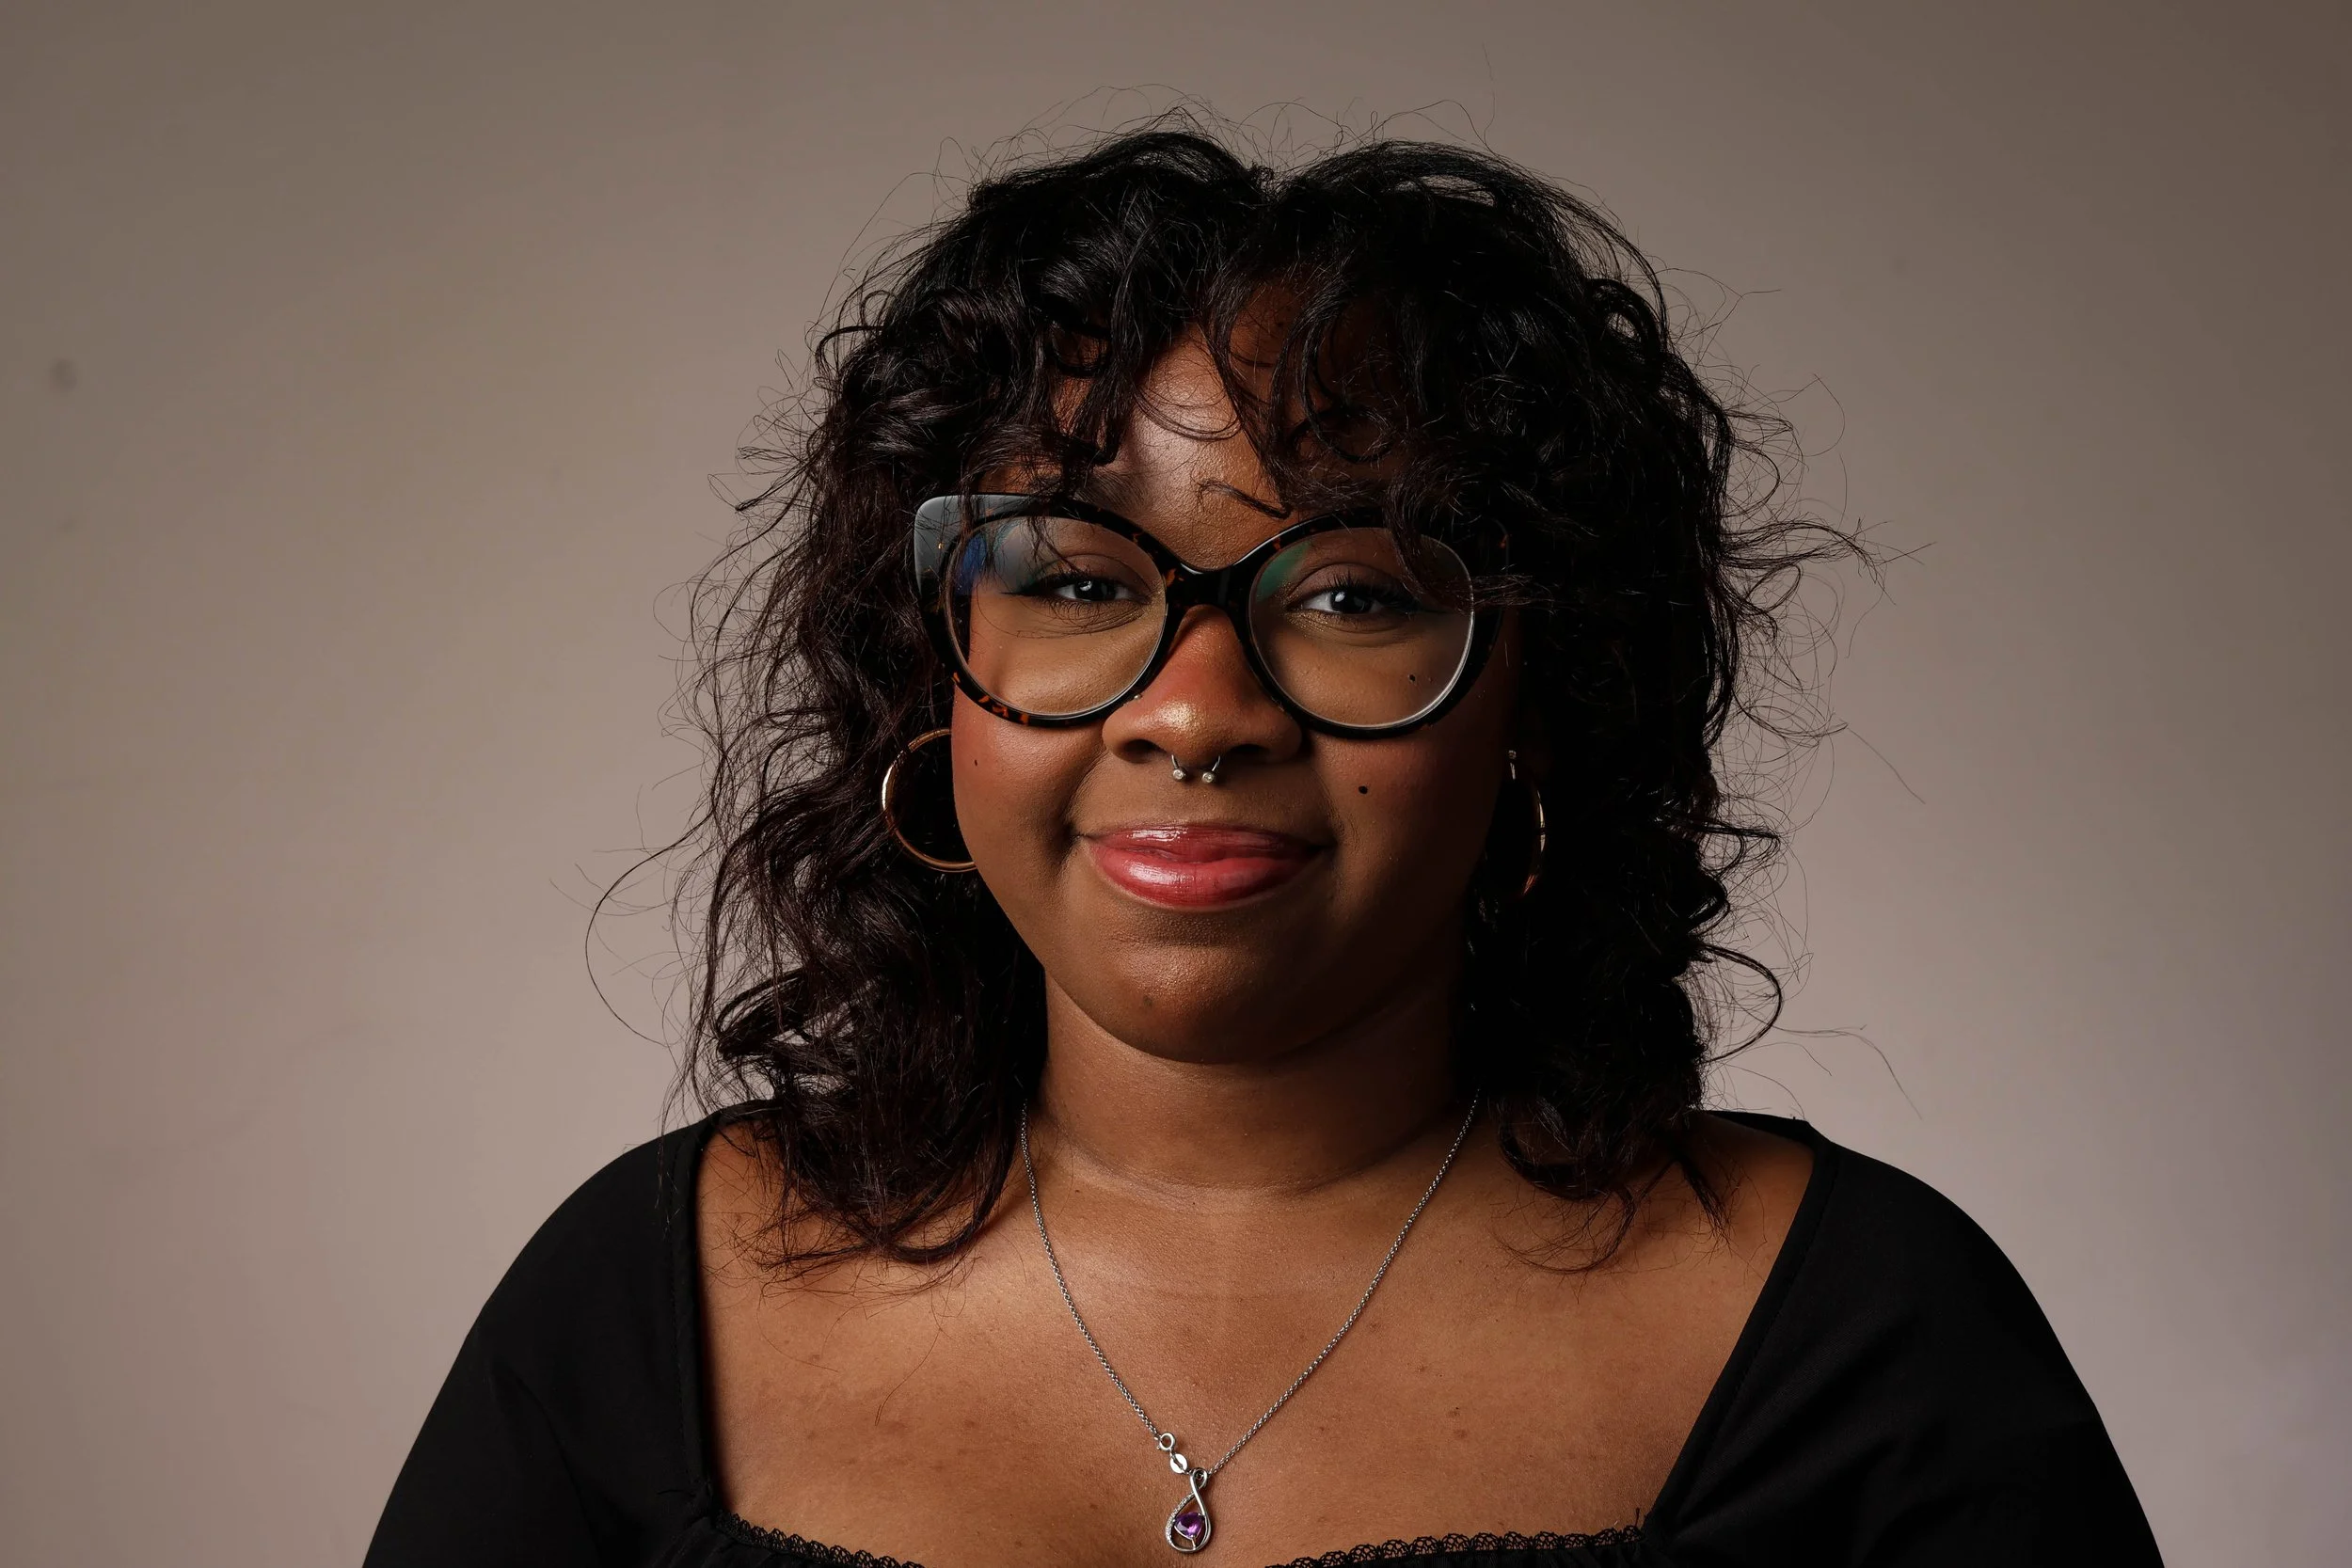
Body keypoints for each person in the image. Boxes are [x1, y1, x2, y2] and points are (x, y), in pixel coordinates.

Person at [365, 124, 2162, 1567]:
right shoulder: (641, 1300)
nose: (1197, 711)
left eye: (1357, 591)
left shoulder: (1863, 1328)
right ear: (932, 684)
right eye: (1076, 579)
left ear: (1541, 701)